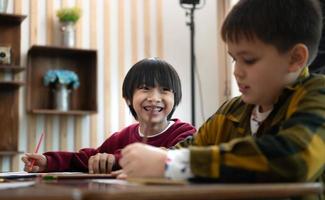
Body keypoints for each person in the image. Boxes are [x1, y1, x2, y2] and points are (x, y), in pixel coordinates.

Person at [119, 0, 325, 186]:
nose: (236, 71)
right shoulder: (231, 111)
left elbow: (294, 159)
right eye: (234, 59)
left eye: (249, 60)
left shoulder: (317, 94)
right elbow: (186, 150)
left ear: (295, 58)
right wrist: (145, 162)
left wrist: (169, 165)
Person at [22, 57, 196, 174]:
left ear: (176, 97)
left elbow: (171, 157)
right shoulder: (121, 137)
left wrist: (114, 159)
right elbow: (86, 159)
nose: (155, 98)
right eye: (145, 88)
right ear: (128, 98)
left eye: (165, 90)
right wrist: (48, 162)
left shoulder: (185, 133)